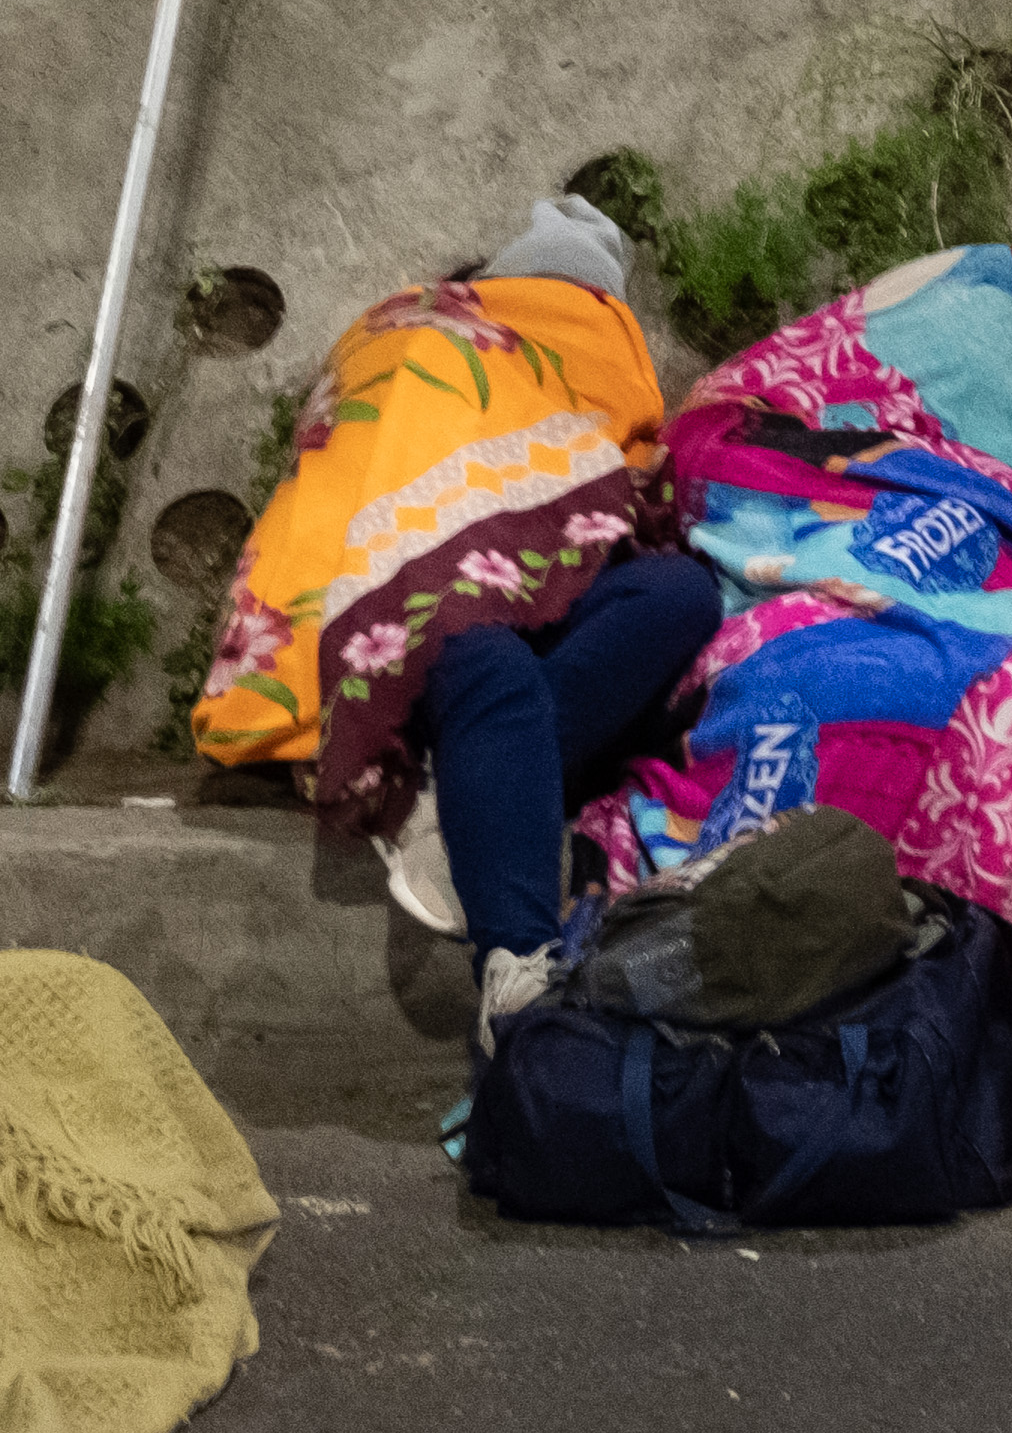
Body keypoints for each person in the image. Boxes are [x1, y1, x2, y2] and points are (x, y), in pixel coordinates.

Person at [189, 193, 716, 1029]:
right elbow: (369, 463)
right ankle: (518, 973)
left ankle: (451, 792)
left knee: (678, 593)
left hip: (546, 585)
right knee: (485, 659)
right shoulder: (413, 338)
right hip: (403, 612)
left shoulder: (565, 368)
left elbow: (613, 459)